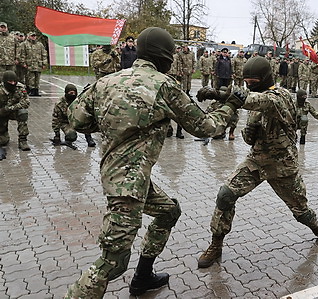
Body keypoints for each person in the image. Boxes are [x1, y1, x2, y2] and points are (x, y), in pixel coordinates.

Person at [64, 27, 245, 299]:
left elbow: (77, 121)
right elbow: (206, 127)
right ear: (165, 57)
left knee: (168, 211)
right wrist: (230, 106)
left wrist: (113, 123)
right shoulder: (164, 85)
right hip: (127, 188)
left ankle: (143, 277)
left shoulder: (105, 82)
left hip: (125, 177)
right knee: (111, 263)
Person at [197, 57, 318, 269]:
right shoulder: (257, 97)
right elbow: (249, 137)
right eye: (246, 81)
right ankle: (216, 244)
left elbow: (259, 101)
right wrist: (249, 132)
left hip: (283, 164)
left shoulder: (280, 96)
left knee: (300, 210)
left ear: (264, 79)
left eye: (253, 82)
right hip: (257, 161)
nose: (249, 85)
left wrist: (219, 94)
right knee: (225, 195)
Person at [52, 84, 95, 148]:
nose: (73, 95)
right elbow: (56, 119)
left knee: (87, 120)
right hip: (66, 122)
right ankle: (68, 139)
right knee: (71, 136)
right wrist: (57, 134)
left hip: (76, 119)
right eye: (71, 93)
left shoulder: (78, 100)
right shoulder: (60, 103)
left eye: (75, 93)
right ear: (66, 93)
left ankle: (89, 138)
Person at [0, 70, 30, 151]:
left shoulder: (20, 88)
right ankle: (3, 134)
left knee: (23, 112)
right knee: (2, 141)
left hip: (14, 112)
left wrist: (9, 108)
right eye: (10, 81)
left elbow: (26, 103)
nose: (13, 83)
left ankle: (22, 140)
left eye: (14, 81)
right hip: (2, 113)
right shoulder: (0, 89)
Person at [19, 32, 47, 96]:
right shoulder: (25, 44)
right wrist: (23, 63)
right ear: (28, 36)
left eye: (34, 36)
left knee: (37, 79)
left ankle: (36, 91)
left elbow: (44, 54)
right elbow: (22, 54)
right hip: (30, 64)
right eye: (32, 36)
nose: (33, 37)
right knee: (31, 79)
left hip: (38, 64)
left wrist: (44, 64)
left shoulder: (40, 44)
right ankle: (32, 90)